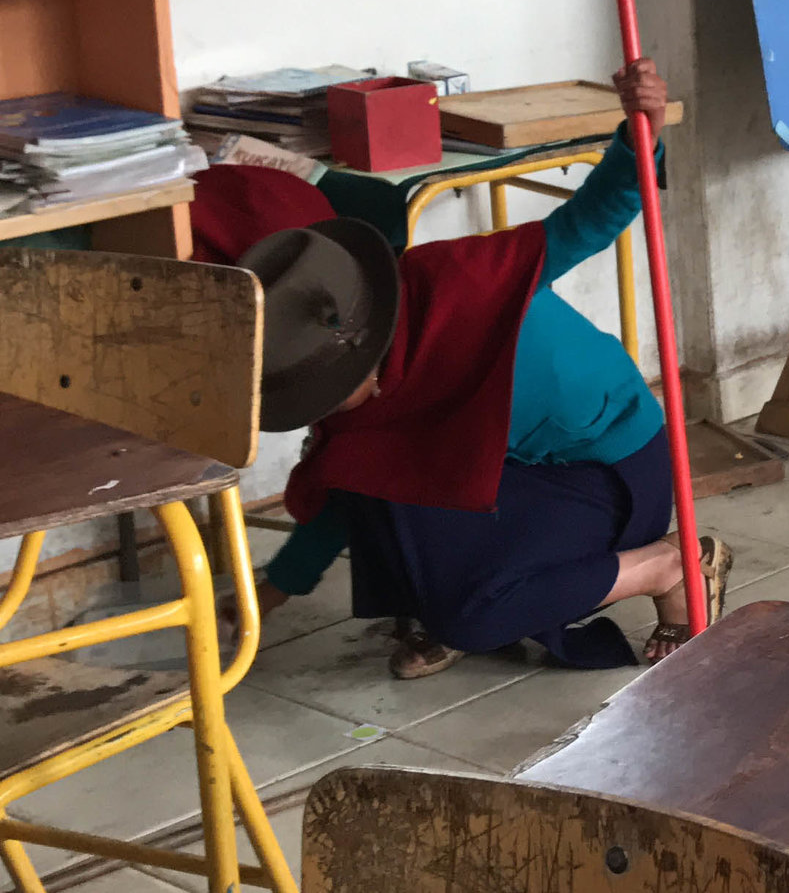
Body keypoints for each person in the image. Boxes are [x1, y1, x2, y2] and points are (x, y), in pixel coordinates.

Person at [201, 61, 729, 679]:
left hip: (606, 472)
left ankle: (667, 563)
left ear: (364, 334)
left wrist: (645, 126)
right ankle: (475, 591)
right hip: (501, 474)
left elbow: (590, 220)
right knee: (375, 479)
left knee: (471, 613)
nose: (323, 404)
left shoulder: (466, 289)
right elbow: (349, 478)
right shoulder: (343, 371)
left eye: (329, 389)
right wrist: (272, 591)